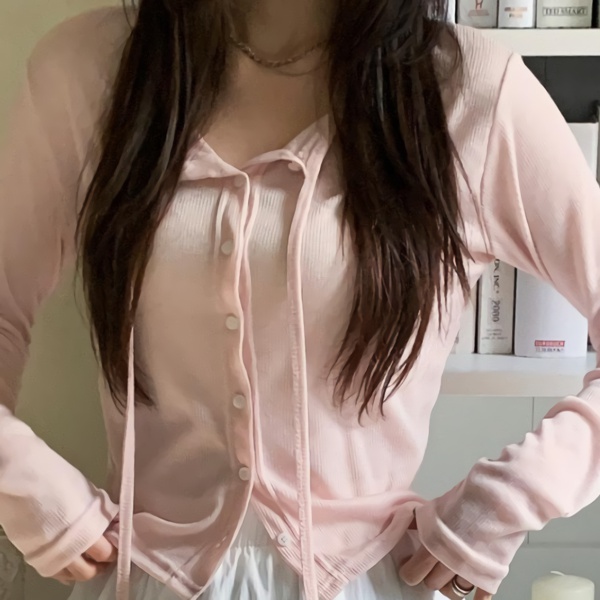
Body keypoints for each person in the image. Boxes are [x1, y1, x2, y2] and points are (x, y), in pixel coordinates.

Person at [1, 0, 599, 598]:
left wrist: (514, 496)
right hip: (144, 577)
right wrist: (20, 480)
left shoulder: (470, 93)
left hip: (369, 579)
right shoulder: (89, 69)